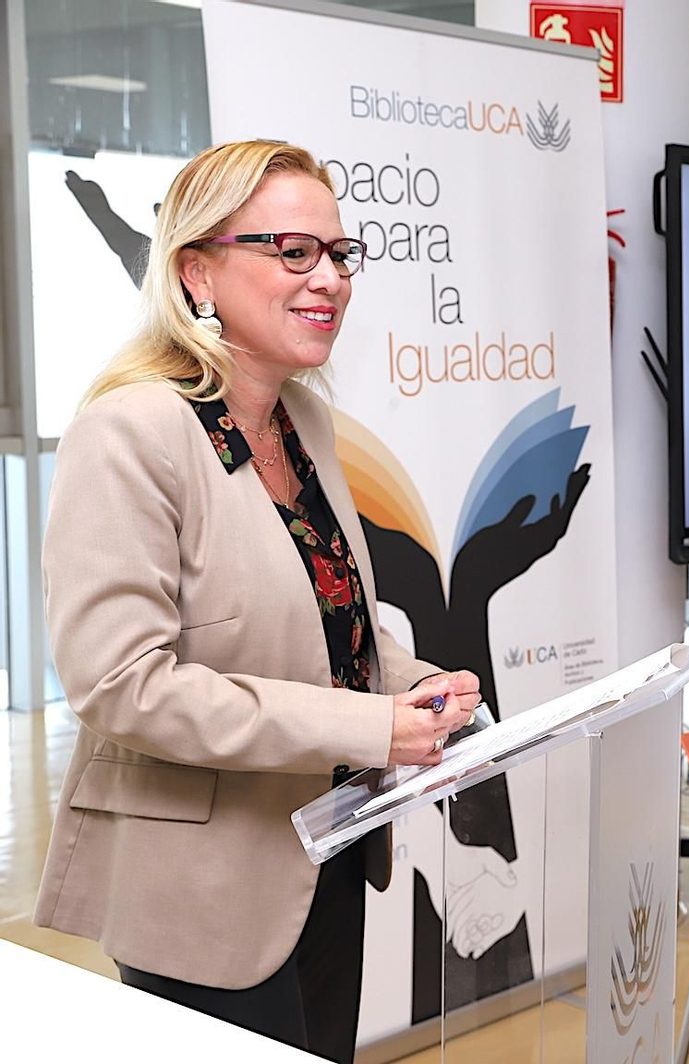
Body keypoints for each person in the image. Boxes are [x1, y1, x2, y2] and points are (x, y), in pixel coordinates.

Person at [33, 141, 480, 1063]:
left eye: (340, 254)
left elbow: (326, 616)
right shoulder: (130, 428)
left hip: (324, 853)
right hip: (201, 891)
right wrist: (368, 728)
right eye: (293, 251)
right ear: (196, 269)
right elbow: (122, 685)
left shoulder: (303, 418)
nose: (330, 280)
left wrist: (417, 683)